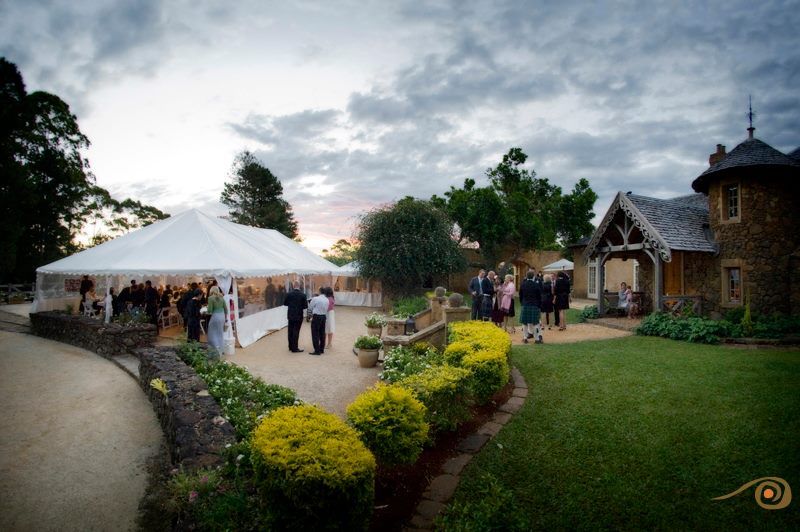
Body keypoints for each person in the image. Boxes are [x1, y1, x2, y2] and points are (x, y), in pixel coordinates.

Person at [519, 270, 543, 343]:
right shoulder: (536, 285)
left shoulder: (523, 284)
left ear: (526, 276)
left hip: (525, 305)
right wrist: (539, 305)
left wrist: (522, 303)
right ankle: (537, 339)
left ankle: (525, 338)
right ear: (533, 276)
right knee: (536, 323)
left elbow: (520, 296)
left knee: (524, 323)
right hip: (534, 305)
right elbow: (539, 296)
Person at [283, 280, 308, 353]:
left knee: (290, 331)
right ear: (299, 286)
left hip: (290, 314)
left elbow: (285, 303)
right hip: (298, 315)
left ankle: (290, 347)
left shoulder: (289, 294)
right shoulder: (303, 295)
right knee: (296, 331)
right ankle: (295, 348)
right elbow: (305, 306)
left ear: (293, 286)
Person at [308, 288, 329, 355]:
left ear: (319, 291)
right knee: (322, 333)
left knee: (315, 333)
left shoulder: (315, 298)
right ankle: (321, 349)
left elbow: (310, 307)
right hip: (323, 317)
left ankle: (317, 350)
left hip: (317, 316)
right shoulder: (327, 299)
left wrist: (309, 315)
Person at [206, 286, 225, 356]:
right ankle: (221, 350)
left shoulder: (210, 298)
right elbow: (225, 309)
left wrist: (205, 311)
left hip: (215, 316)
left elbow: (210, 311)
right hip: (222, 316)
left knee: (211, 334)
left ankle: (215, 351)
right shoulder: (221, 297)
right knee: (220, 333)